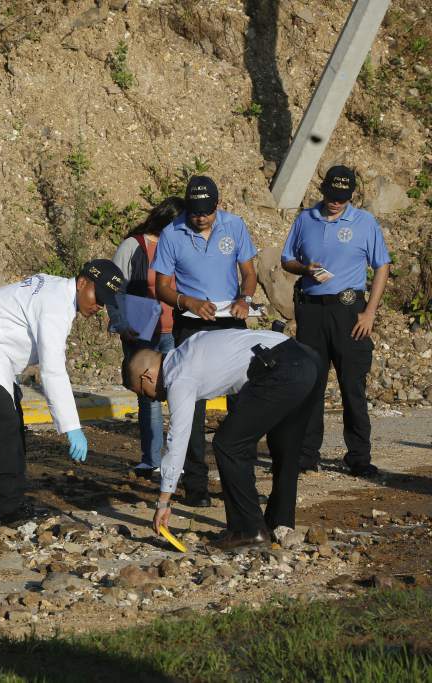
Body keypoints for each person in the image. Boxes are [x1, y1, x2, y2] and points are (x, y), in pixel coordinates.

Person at [0, 260, 126, 523]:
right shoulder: (56, 307)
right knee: (3, 426)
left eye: (105, 303)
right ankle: (5, 514)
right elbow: (52, 370)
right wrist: (72, 426)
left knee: (13, 423)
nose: (99, 307)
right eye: (98, 297)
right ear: (82, 283)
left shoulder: (58, 292)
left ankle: (10, 504)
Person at [123, 328, 321, 550]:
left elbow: (178, 439)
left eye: (142, 392)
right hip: (305, 359)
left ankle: (249, 530)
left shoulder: (179, 376)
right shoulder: (191, 344)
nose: (149, 398)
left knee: (229, 445)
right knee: (285, 445)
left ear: (146, 376)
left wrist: (164, 501)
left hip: (279, 370)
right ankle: (279, 524)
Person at [151, 176, 259, 507]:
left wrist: (246, 297)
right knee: (191, 410)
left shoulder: (235, 226)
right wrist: (187, 302)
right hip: (192, 323)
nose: (201, 219)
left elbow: (249, 272)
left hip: (232, 320)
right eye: (195, 213)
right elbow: (162, 285)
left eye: (207, 213)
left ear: (217, 205)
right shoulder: (172, 234)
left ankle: (240, 482)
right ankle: (195, 485)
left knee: (242, 405)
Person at [280, 165, 390, 478]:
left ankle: (358, 457)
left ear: (351, 195)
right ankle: (306, 454)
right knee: (310, 383)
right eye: (331, 195)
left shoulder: (364, 222)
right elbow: (286, 259)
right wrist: (303, 268)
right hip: (312, 310)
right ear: (323, 189)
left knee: (352, 385)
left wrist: (370, 311)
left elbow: (382, 266)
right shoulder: (305, 219)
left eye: (342, 197)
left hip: (348, 311)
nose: (336, 202)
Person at [110, 196, 184, 479]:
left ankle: (179, 459)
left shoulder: (179, 245)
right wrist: (119, 322)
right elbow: (113, 288)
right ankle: (151, 459)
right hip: (141, 332)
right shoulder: (134, 246)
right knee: (149, 397)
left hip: (175, 331)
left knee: (180, 395)